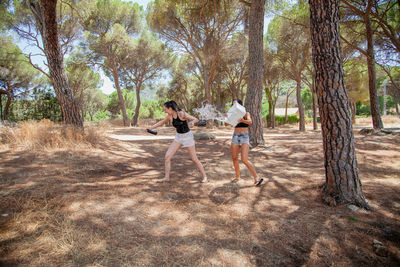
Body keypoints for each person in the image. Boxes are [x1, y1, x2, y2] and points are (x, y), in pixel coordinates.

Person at [147, 100, 208, 183]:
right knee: (167, 157)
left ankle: (205, 177)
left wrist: (191, 123)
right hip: (178, 137)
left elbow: (195, 119)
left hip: (187, 137)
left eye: (165, 109)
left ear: (170, 108)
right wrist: (150, 128)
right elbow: (161, 122)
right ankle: (166, 177)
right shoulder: (169, 116)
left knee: (194, 159)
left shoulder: (181, 114)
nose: (164, 111)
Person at [229, 100, 263, 186]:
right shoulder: (232, 114)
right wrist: (228, 119)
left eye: (236, 104)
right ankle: (238, 176)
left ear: (240, 105)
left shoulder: (246, 113)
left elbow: (250, 122)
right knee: (234, 158)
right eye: (233, 104)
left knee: (244, 159)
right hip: (235, 136)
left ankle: (256, 178)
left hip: (244, 137)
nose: (234, 105)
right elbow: (226, 124)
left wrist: (241, 120)